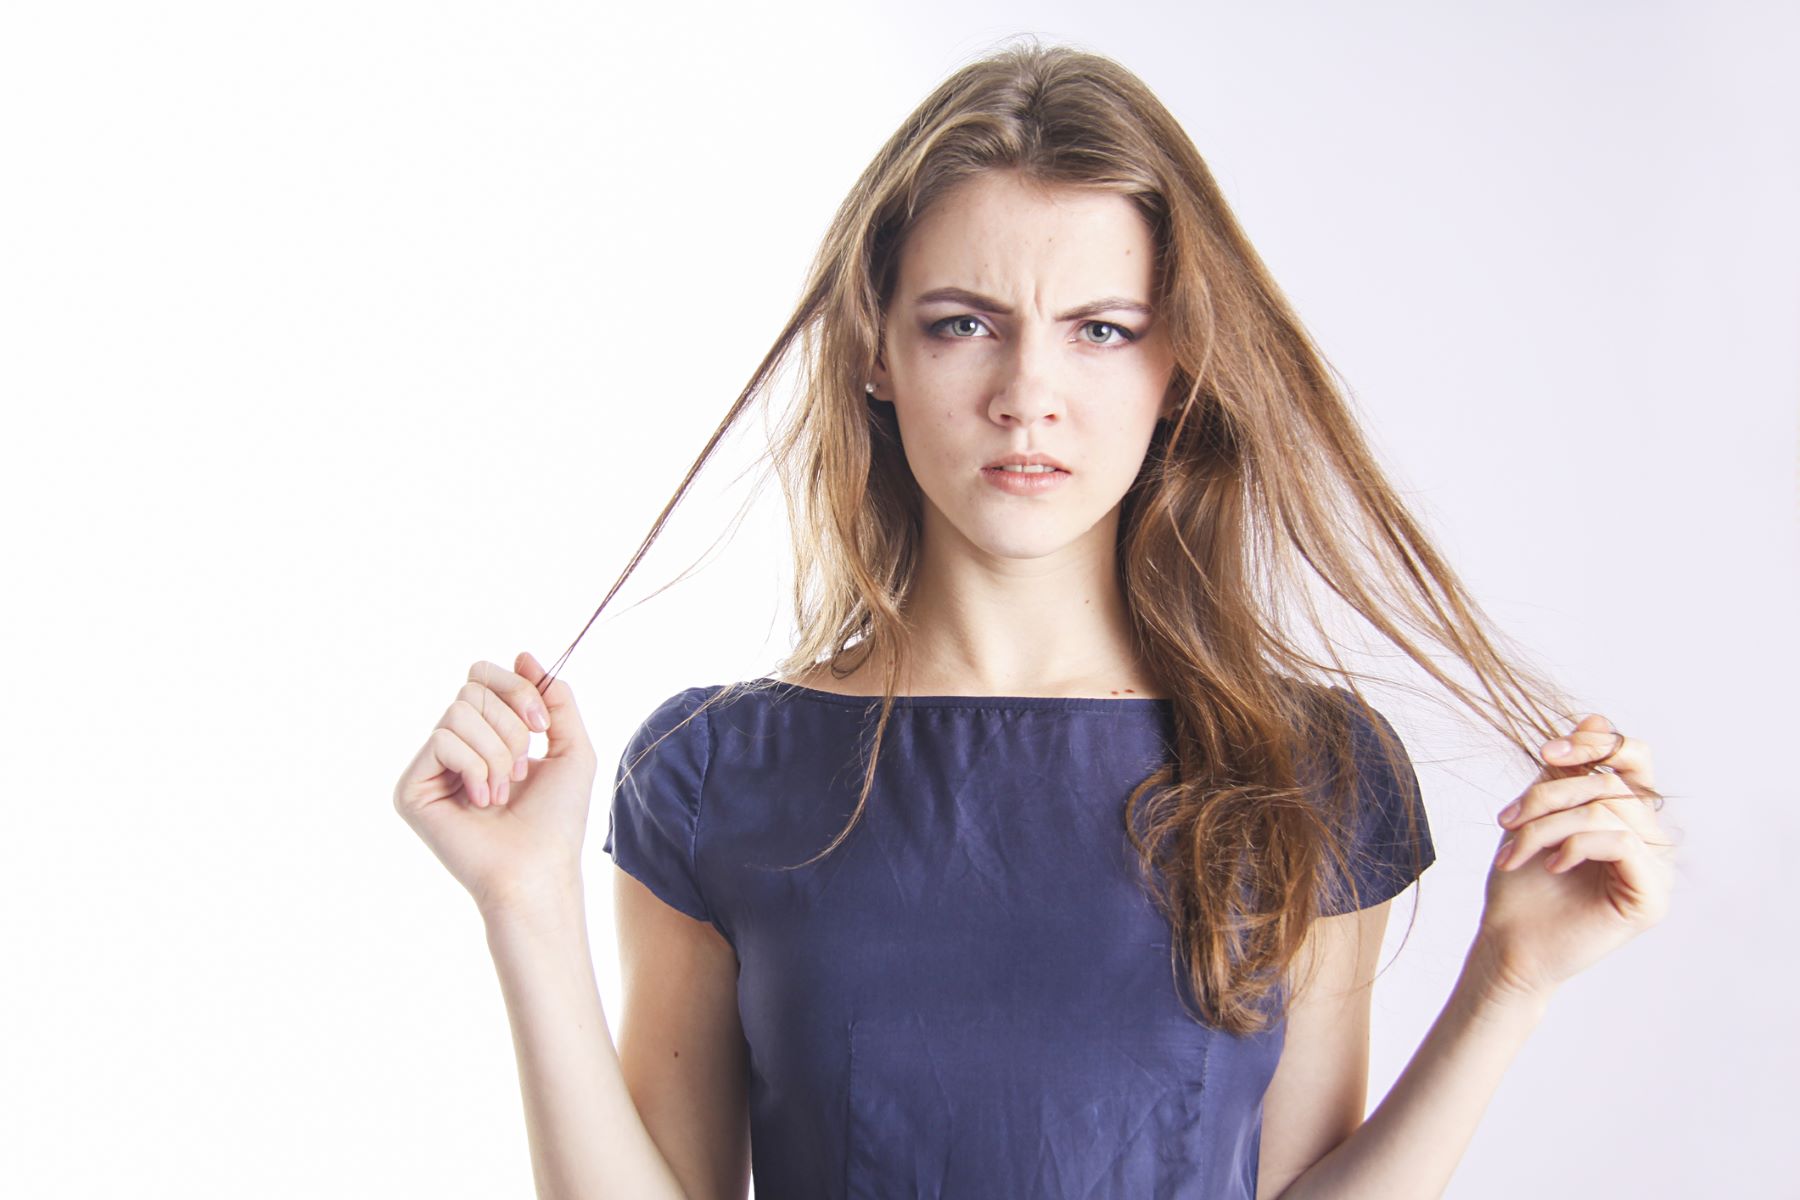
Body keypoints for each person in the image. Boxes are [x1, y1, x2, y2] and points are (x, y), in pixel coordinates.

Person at [393, 37, 1676, 1200]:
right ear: (874, 353)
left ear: (1180, 368)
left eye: (1102, 331)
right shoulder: (717, 777)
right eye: (964, 324)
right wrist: (524, 903)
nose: (1028, 395)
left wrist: (1511, 985)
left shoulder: (1310, 775)